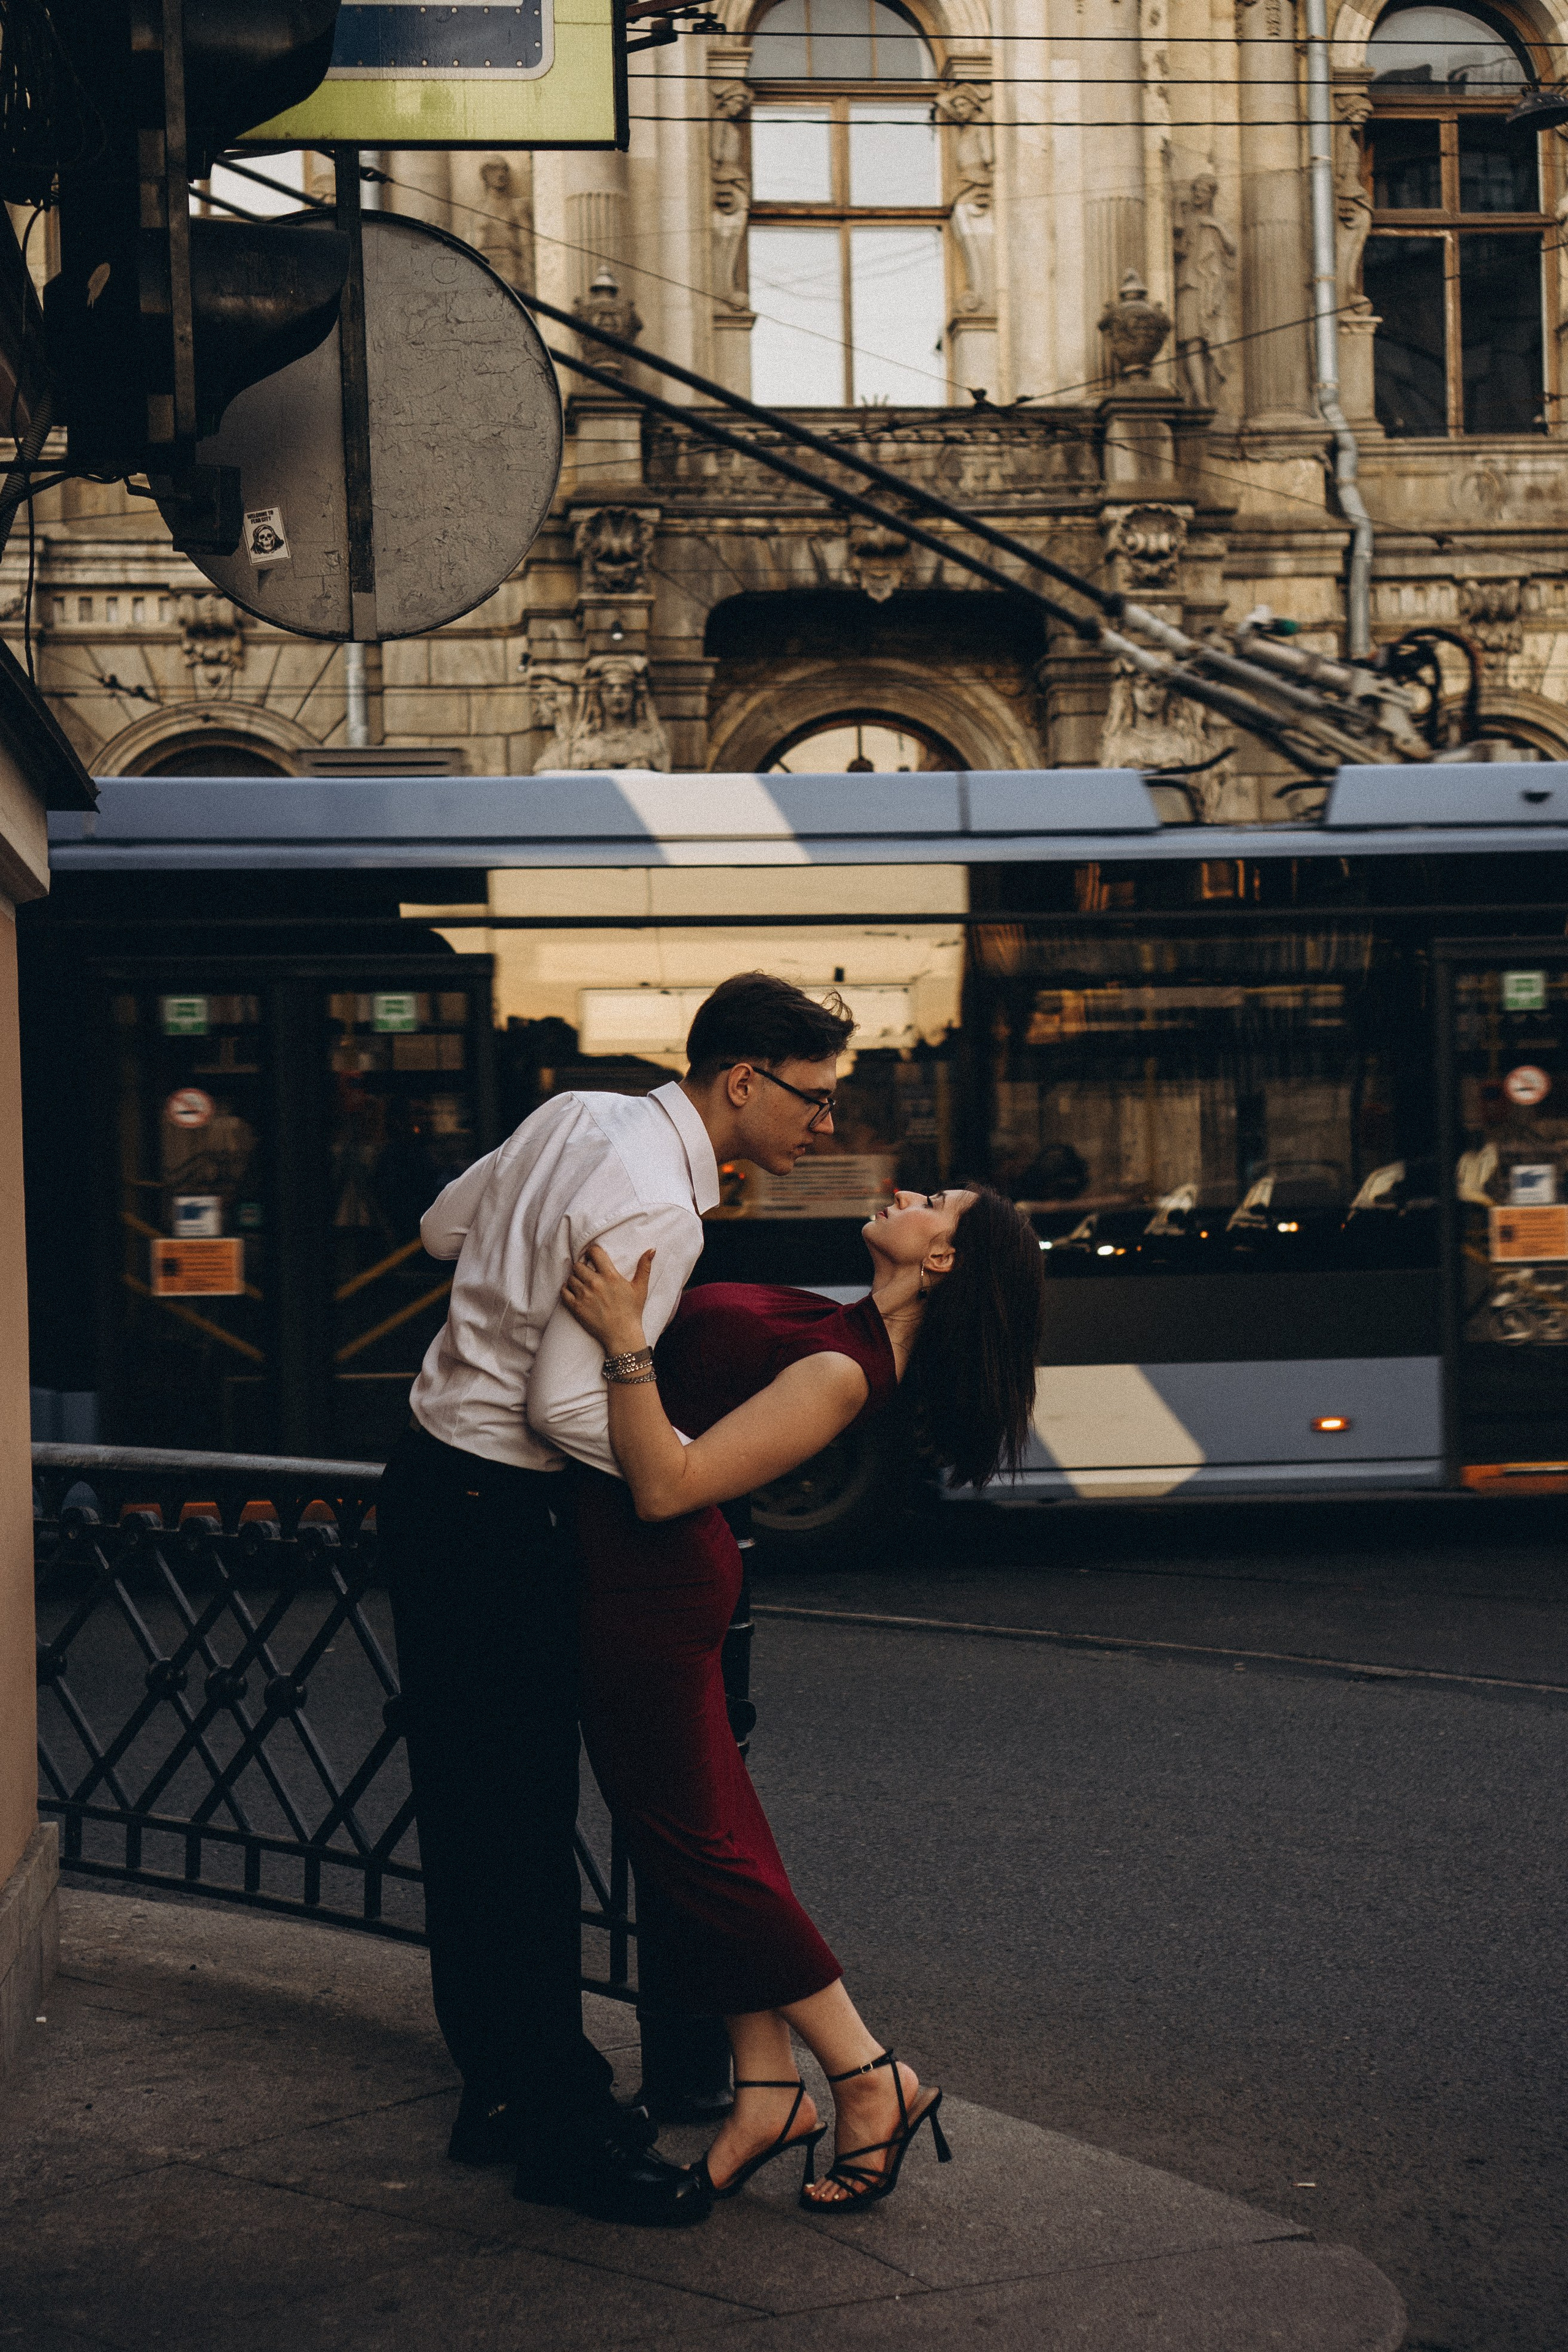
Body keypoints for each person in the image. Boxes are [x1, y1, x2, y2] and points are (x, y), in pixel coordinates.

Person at [375, 972, 855, 2227]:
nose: (825, 1129)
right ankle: (559, 2132)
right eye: (812, 1099)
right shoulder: (657, 1200)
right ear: (740, 1081)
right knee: (526, 1827)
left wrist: (516, 1280)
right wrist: (679, 1472)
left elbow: (437, 1228)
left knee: (477, 1818)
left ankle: (497, 2093)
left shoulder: (577, 1116)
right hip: (500, 1507)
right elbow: (563, 1409)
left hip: (428, 1479)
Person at [552, 1177, 1045, 2208]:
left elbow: (668, 1485)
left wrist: (621, 1337)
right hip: (640, 1584)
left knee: (696, 1850)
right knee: (711, 1839)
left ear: (943, 1259)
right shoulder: (840, 1324)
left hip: (653, 1589)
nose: (903, 1190)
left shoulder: (842, 1371)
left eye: (935, 1201)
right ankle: (770, 2088)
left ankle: (871, 2077)